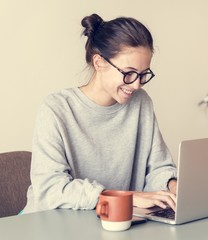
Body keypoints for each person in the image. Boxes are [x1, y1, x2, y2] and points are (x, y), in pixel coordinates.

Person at [22, 13, 177, 214]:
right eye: (128, 73)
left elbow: (158, 168)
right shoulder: (56, 108)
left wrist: (172, 185)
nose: (137, 84)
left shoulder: (141, 103)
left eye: (143, 74)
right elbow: (51, 189)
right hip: (48, 223)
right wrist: (128, 198)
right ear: (99, 62)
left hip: (111, 221)